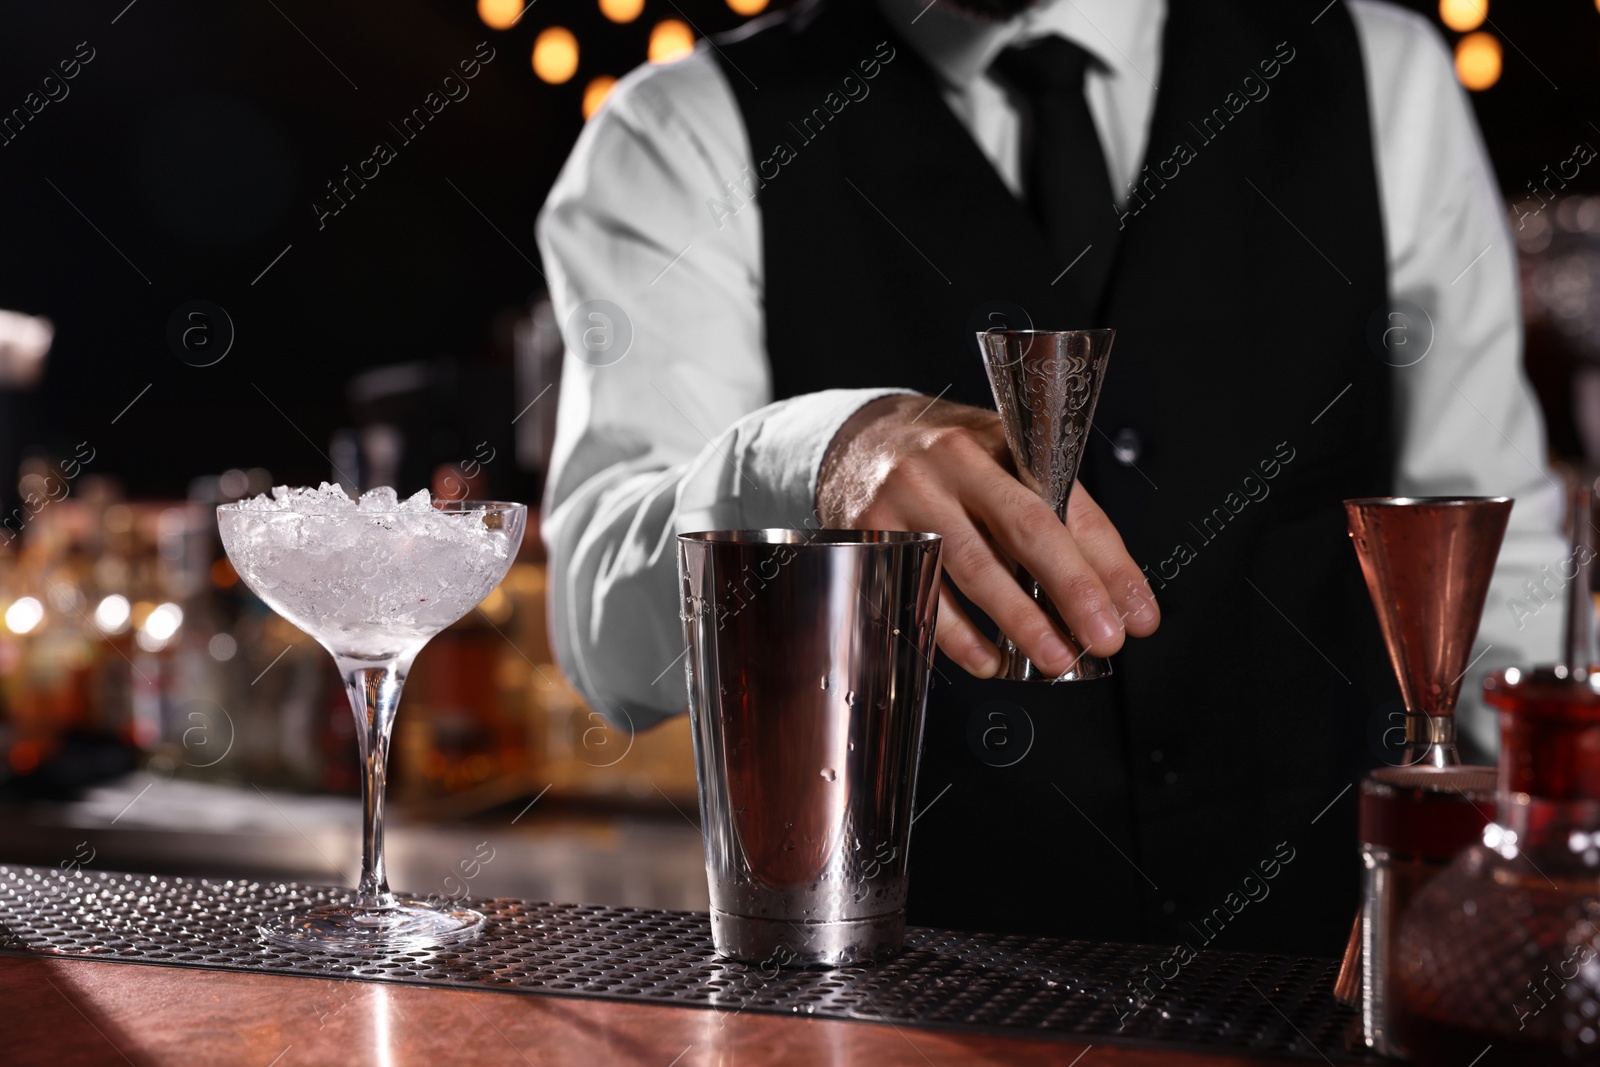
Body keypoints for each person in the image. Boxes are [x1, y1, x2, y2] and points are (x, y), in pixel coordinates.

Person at [536, 0, 1565, 956]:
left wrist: (1550, 877)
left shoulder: (1378, 74)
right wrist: (811, 459)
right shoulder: (678, 131)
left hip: (1322, 982)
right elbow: (602, 642)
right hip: (907, 1002)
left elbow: (1497, 560)